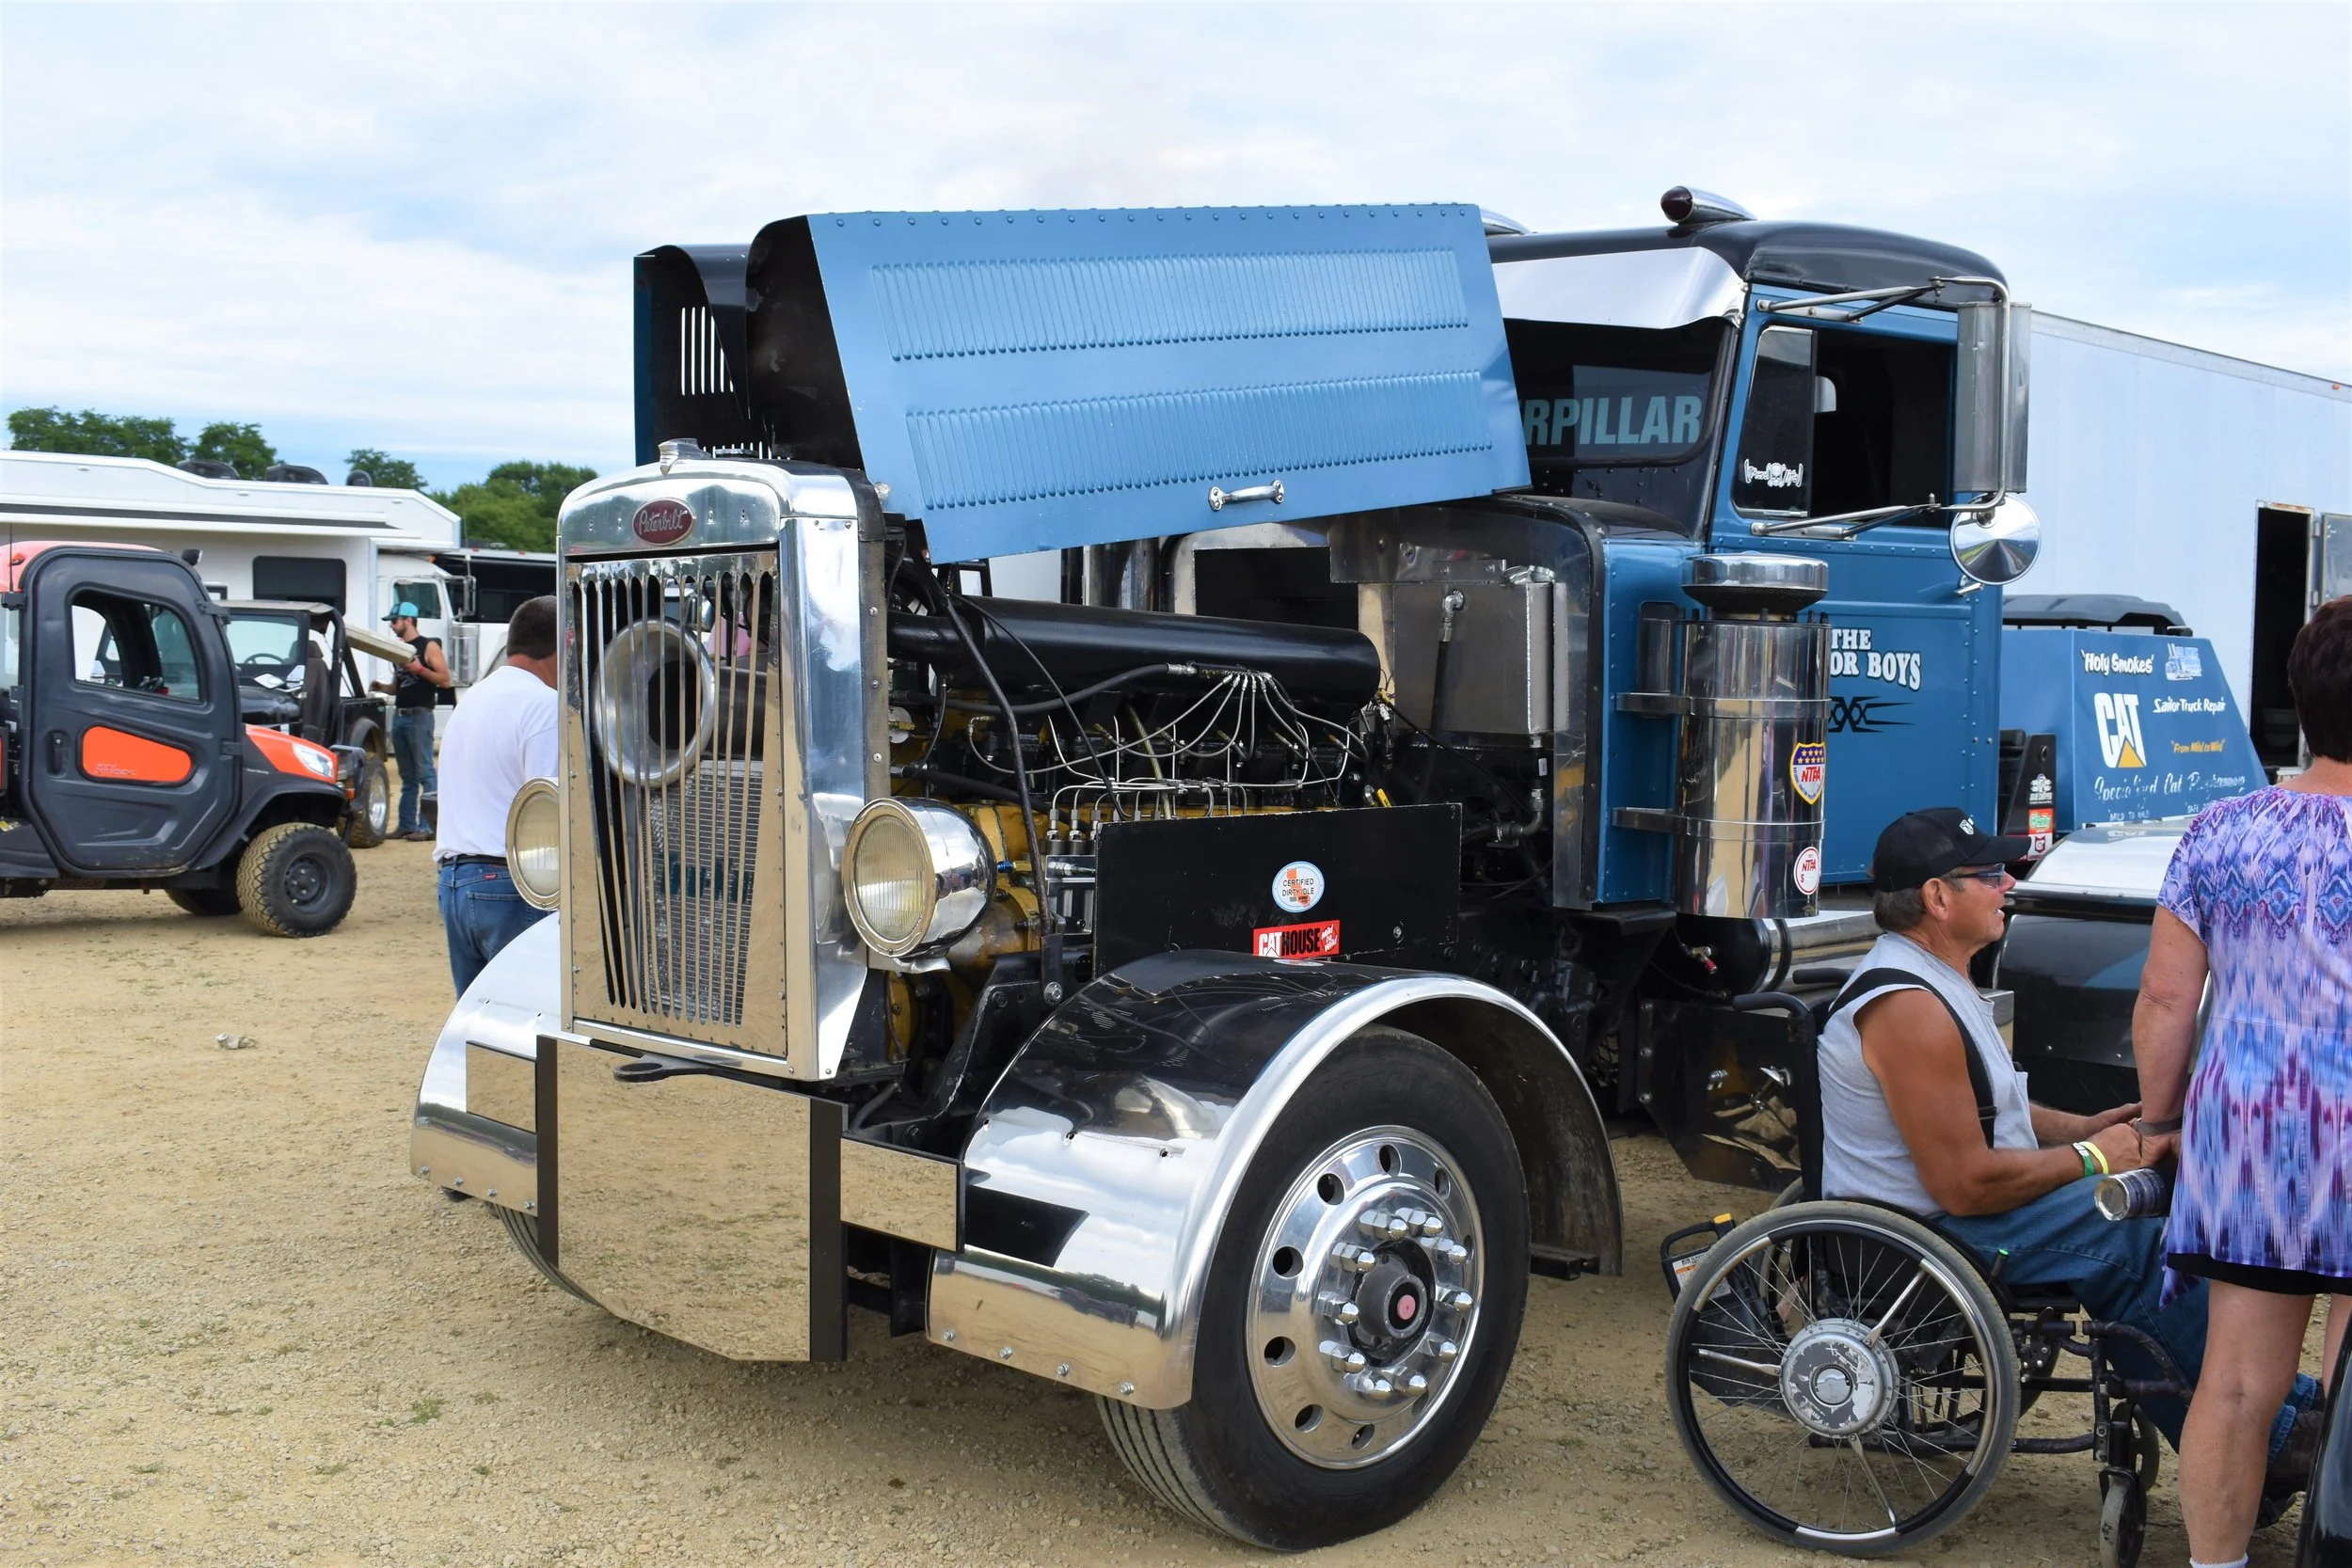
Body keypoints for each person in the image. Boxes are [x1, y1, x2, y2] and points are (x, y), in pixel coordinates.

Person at [1817, 806, 2315, 1465]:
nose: (2011, 885)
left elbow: (1991, 1107)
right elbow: (1964, 1185)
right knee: (2126, 1237)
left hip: (1956, 1213)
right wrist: (2089, 1158)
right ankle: (2267, 1439)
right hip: (1924, 1233)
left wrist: (2087, 1127)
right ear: (1938, 897)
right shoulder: (1907, 1007)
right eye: (1992, 874)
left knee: (2162, 1210)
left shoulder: (1941, 976)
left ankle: (2283, 1406)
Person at [2136, 596, 2352, 1568]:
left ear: (2301, 702)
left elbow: (2164, 1001)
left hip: (2249, 1136)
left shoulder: (2217, 832)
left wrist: (2157, 1118)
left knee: (2233, 1379)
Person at [434, 595, 560, 994]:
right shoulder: (542, 705)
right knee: (527, 1021)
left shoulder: (473, 698)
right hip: (506, 883)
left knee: (478, 1029)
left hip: (454, 880)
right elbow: (551, 810)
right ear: (566, 644)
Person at [369, 602, 451, 840]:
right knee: (407, 776)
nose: (392, 626)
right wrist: (382, 688)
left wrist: (419, 669)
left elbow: (445, 679)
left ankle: (428, 827)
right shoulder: (399, 649)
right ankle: (406, 825)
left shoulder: (428, 646)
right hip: (402, 716)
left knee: (425, 771)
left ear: (408, 620)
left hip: (420, 715)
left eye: (394, 621)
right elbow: (398, 686)